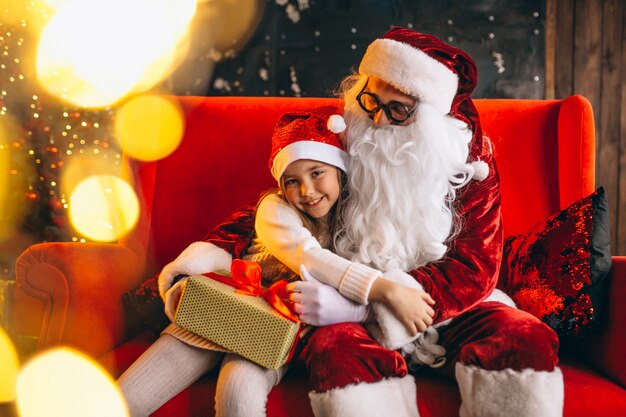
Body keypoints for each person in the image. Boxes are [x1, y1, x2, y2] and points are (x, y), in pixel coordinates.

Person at [158, 27, 564, 417]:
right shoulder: (344, 131)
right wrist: (206, 256)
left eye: (398, 110)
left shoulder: (466, 162)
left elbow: (477, 266)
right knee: (334, 348)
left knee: (521, 337)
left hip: (443, 307)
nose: (379, 120)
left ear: (428, 114)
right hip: (342, 298)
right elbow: (284, 201)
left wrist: (367, 307)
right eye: (371, 100)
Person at [119, 105, 437, 417]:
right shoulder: (274, 209)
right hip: (219, 310)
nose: (306, 190)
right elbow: (308, 258)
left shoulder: (356, 226)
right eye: (292, 181)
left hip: (271, 333)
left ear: (340, 172)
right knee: (127, 398)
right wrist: (384, 290)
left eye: (317, 173)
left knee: (238, 398)